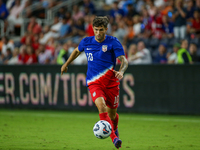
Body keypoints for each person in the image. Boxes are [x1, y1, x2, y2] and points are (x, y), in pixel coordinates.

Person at [61, 16, 128, 149]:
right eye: (96, 30)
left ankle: (114, 128)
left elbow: (124, 60)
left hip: (111, 83)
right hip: (94, 83)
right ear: (93, 29)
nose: (98, 33)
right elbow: (76, 51)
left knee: (112, 115)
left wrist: (121, 71)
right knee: (101, 107)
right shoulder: (86, 41)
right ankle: (115, 139)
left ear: (106, 29)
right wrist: (66, 64)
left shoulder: (113, 42)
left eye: (101, 30)